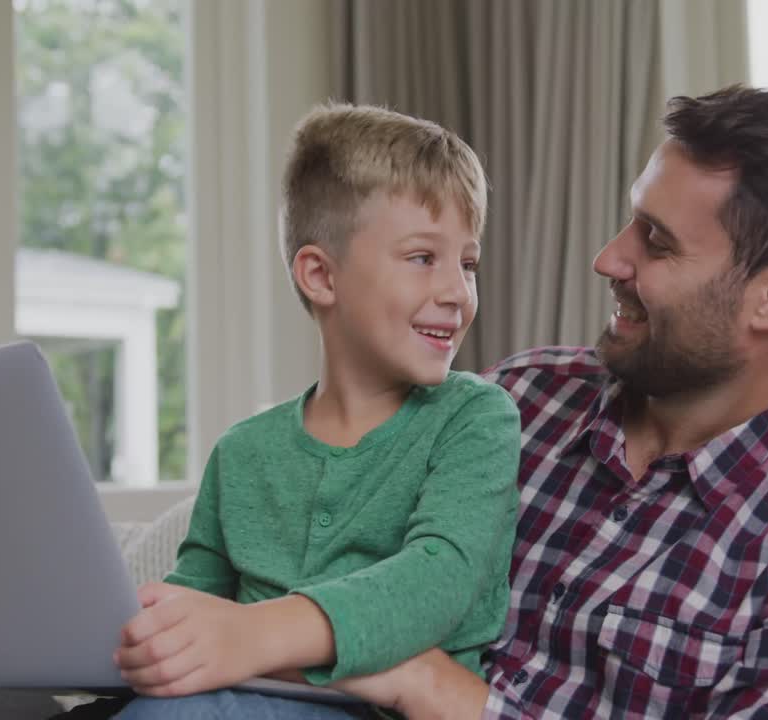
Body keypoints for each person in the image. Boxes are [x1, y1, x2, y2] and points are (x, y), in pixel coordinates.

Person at [331, 85, 768, 719]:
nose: (609, 257)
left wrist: (439, 692)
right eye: (632, 220)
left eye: (658, 242)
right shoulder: (518, 399)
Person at [108, 104, 522, 719]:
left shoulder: (475, 418)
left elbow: (435, 584)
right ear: (320, 276)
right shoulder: (244, 452)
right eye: (422, 258)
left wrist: (250, 636)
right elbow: (190, 600)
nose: (457, 293)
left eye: (467, 263)